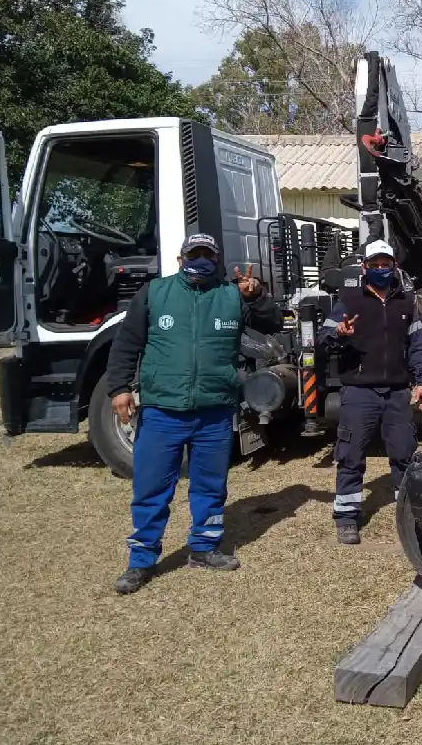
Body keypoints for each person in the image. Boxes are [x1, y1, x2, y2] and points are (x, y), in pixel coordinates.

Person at [105, 234, 283, 594]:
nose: (200, 260)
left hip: (214, 410)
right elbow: (127, 343)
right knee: (152, 487)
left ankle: (204, 547)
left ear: (217, 259)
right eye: (194, 254)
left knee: (210, 486)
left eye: (207, 255)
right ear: (180, 257)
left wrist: (257, 296)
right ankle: (141, 561)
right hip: (161, 410)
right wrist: (119, 388)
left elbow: (274, 322)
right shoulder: (155, 293)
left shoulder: (232, 295)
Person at [319, 239, 422, 545]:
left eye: (386, 264)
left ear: (394, 266)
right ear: (365, 268)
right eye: (375, 265)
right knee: (351, 455)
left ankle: (408, 511)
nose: (381, 269)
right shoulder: (349, 301)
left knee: (404, 454)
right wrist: (339, 335)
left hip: (396, 391)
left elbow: (418, 347)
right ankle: (346, 516)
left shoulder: (406, 302)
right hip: (359, 392)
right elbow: (324, 337)